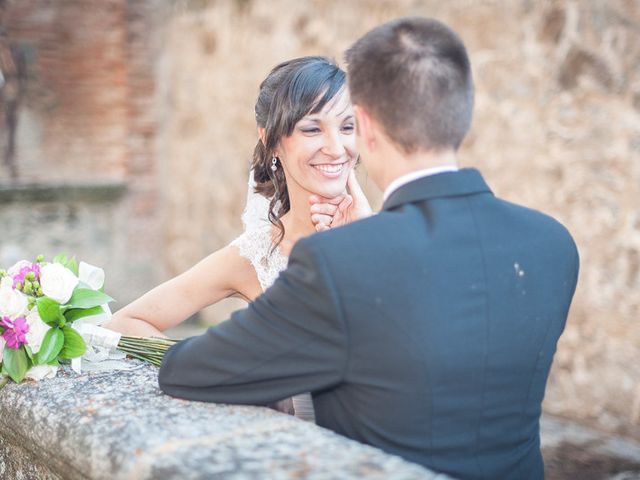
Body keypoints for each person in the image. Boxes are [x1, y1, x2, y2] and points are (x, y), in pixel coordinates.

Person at [158, 17, 579, 480]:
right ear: (462, 113)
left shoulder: (338, 261)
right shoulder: (552, 243)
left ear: (367, 127)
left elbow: (186, 371)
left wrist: (358, 246)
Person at [106, 56, 371, 421]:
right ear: (272, 141)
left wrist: (368, 238)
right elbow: (123, 324)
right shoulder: (255, 258)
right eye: (312, 129)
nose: (336, 147)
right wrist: (220, 373)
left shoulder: (382, 232)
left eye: (347, 127)